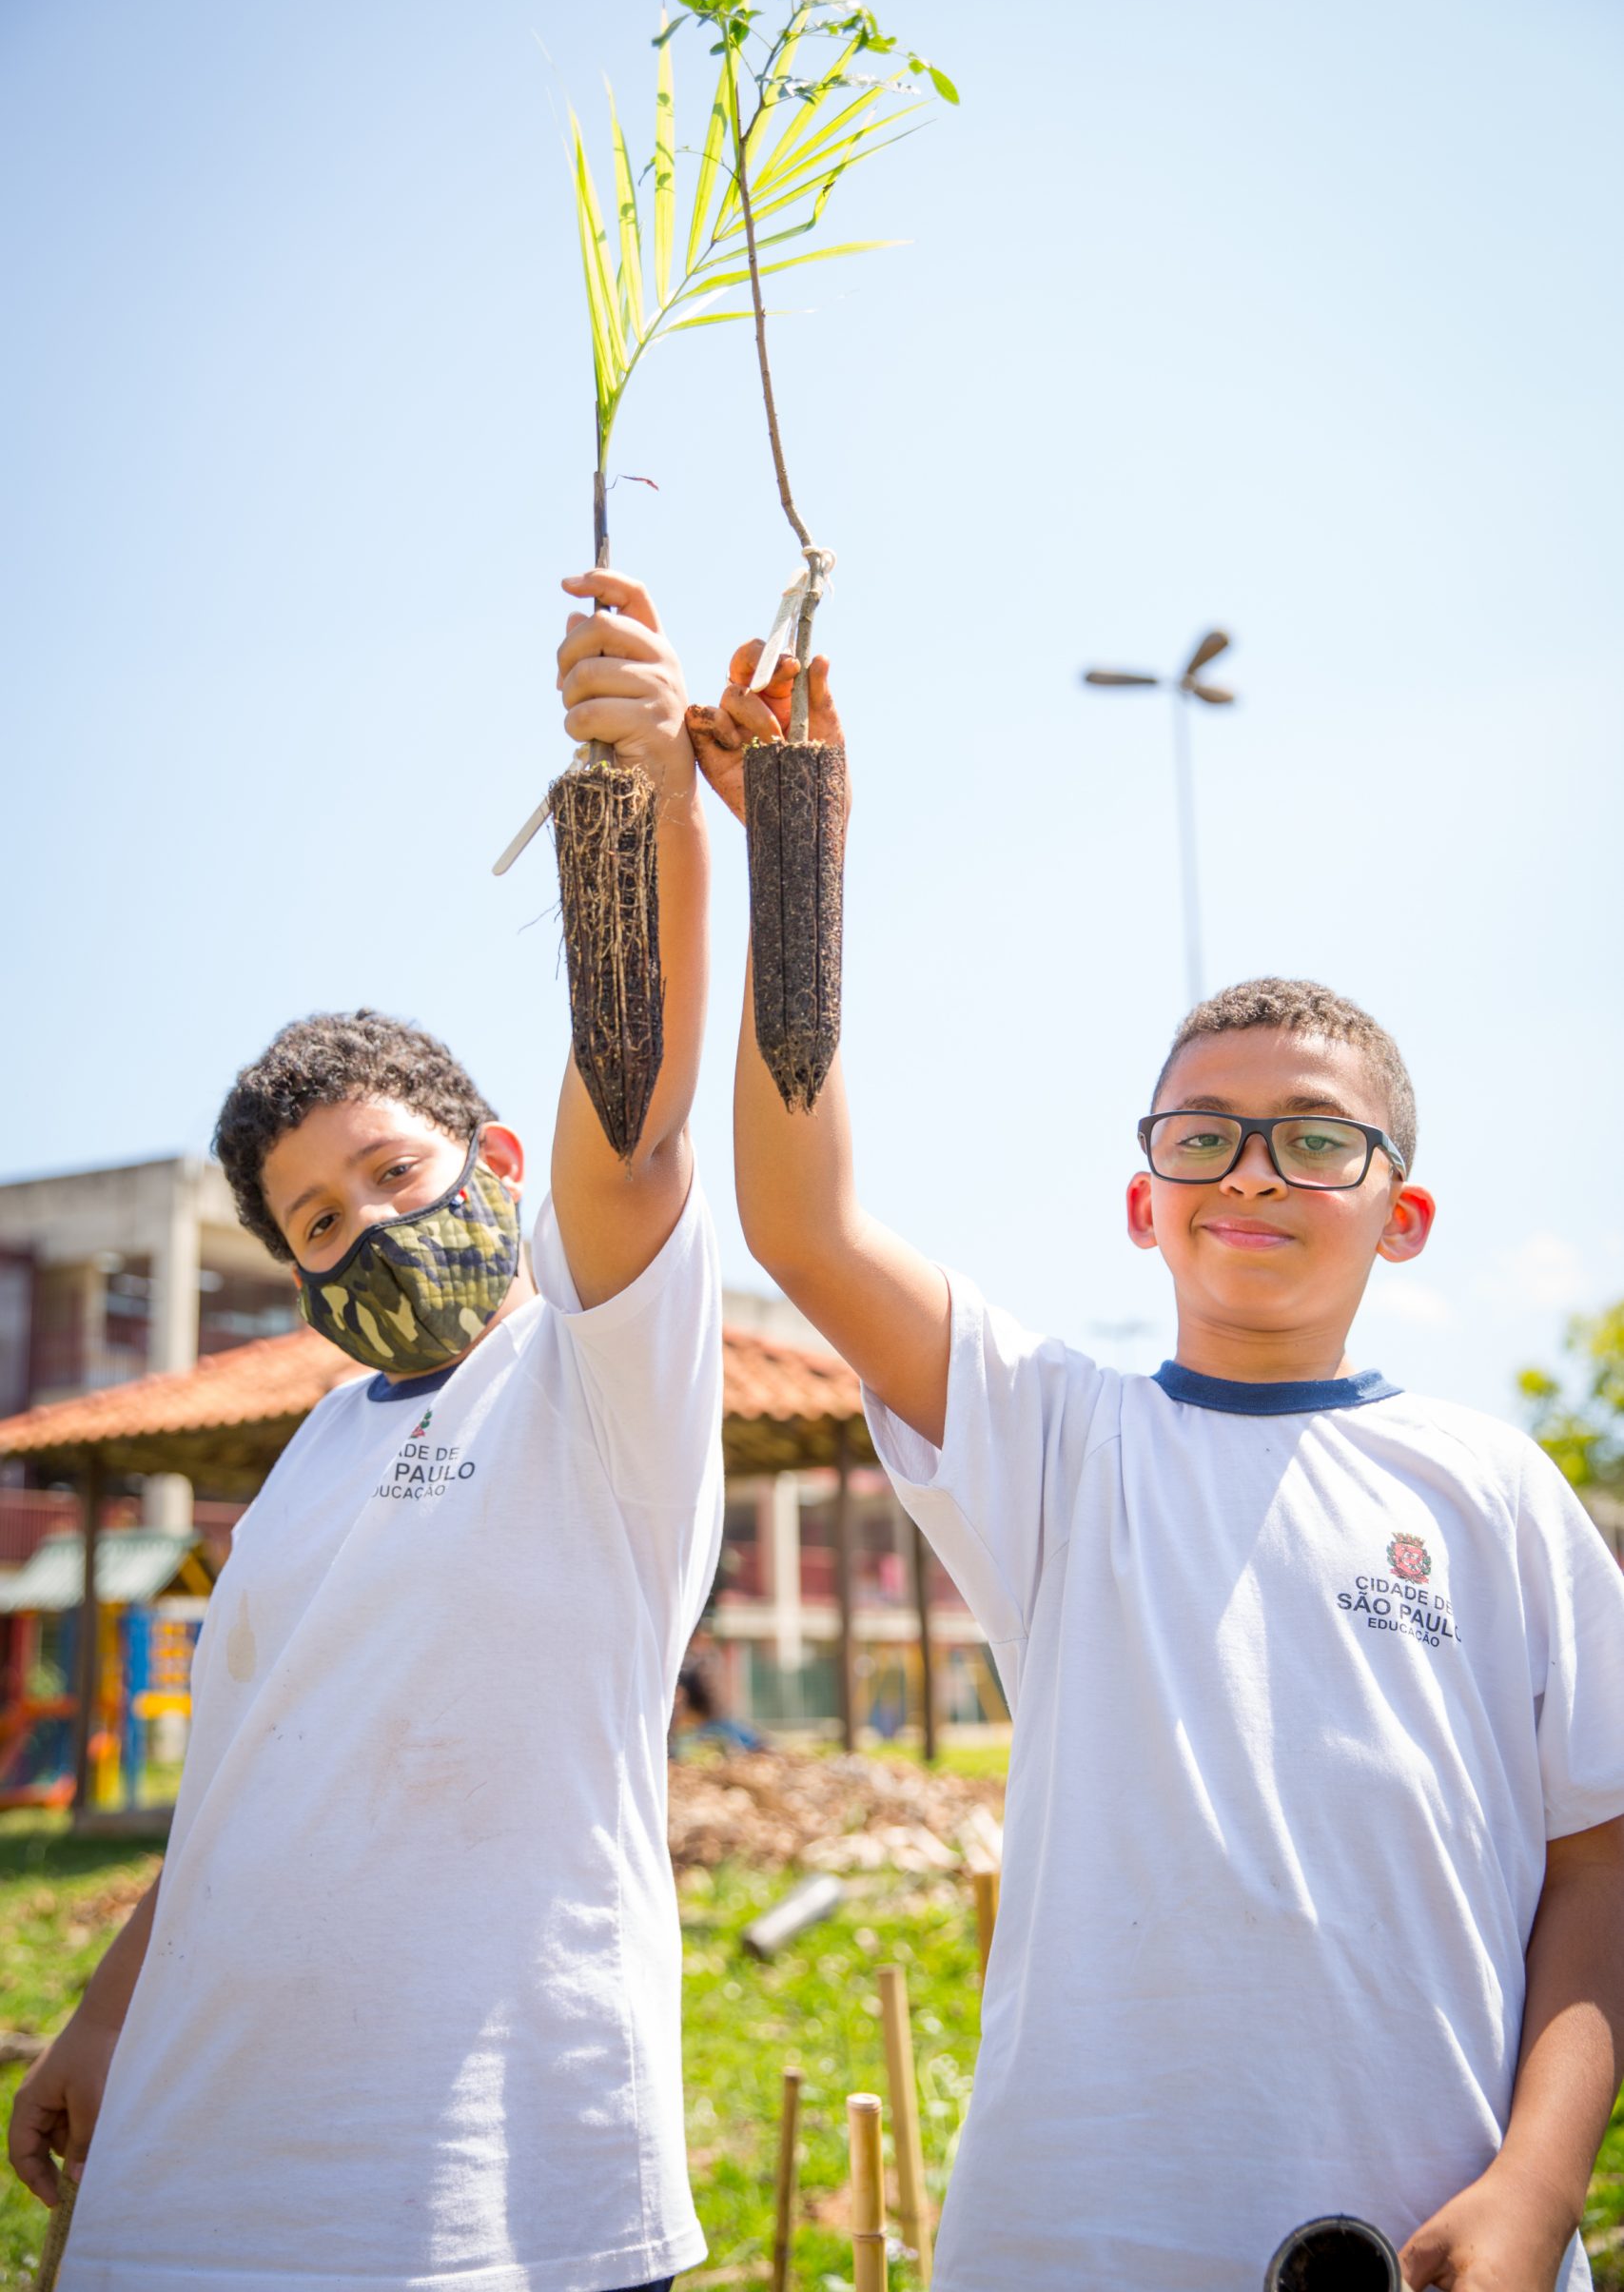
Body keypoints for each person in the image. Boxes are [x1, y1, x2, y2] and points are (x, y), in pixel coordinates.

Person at [689, 646, 1624, 2292]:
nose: (1251, 1169)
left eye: (1315, 1138)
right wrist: (796, 873)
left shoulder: (1498, 1492)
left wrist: (1540, 2186)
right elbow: (806, 1226)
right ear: (1145, 1200)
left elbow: (1603, 1866)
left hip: (1427, 2240)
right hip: (1077, 2238)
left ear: (1400, 1211)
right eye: (1202, 1134)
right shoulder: (1059, 1442)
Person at [10, 571, 720, 2292]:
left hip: (487, 2190)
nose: (366, 1228)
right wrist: (108, 2012)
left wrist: (643, 806)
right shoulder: (314, 1458)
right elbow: (243, 1780)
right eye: (316, 1222)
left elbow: (630, 1128)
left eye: (393, 1172)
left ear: (489, 1158)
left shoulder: (601, 1380)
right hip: (195, 2159)